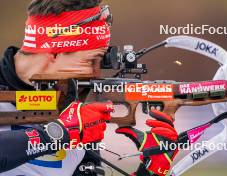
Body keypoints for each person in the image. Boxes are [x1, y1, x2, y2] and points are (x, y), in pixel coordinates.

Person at [0, 0, 180, 176]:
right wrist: (57, 134)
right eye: (89, 61)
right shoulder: (71, 118)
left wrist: (149, 171)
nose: (95, 73)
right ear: (54, 53)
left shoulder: (72, 100)